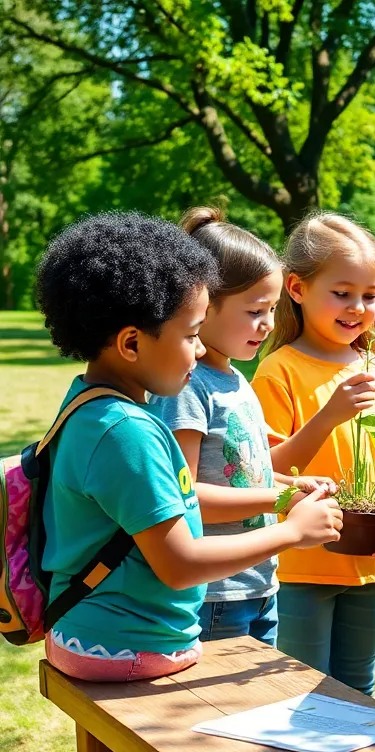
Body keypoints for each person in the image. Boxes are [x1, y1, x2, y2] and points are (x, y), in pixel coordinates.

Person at [36, 212, 341, 682]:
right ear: (131, 343)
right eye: (191, 334)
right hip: (128, 646)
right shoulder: (126, 432)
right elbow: (180, 564)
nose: (199, 352)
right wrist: (292, 530)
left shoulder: (89, 404)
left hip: (99, 633)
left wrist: (284, 488)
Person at [152, 208, 337, 646]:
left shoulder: (236, 380)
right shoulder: (188, 386)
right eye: (255, 310)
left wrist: (293, 484)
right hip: (215, 594)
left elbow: (239, 475)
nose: (269, 324)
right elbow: (188, 494)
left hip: (258, 585)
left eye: (273, 309)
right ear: (201, 306)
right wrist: (285, 497)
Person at [253, 213, 375, 696]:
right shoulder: (278, 370)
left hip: (371, 564)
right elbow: (265, 473)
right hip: (301, 564)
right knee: (303, 691)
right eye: (341, 293)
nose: (357, 307)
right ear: (297, 289)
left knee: (358, 689)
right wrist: (329, 414)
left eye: (369, 295)